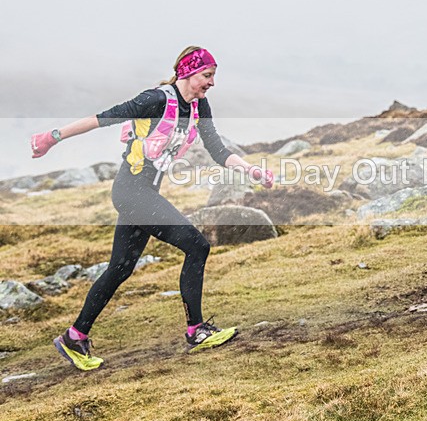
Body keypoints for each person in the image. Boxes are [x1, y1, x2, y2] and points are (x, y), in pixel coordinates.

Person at [31, 46, 274, 370]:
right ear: (188, 73)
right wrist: (53, 137)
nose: (211, 83)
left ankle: (75, 336)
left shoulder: (199, 106)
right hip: (132, 191)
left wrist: (251, 170)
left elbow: (216, 148)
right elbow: (102, 119)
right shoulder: (156, 99)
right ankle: (196, 330)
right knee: (197, 246)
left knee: (120, 268)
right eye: (207, 76)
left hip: (143, 193)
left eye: (213, 76)